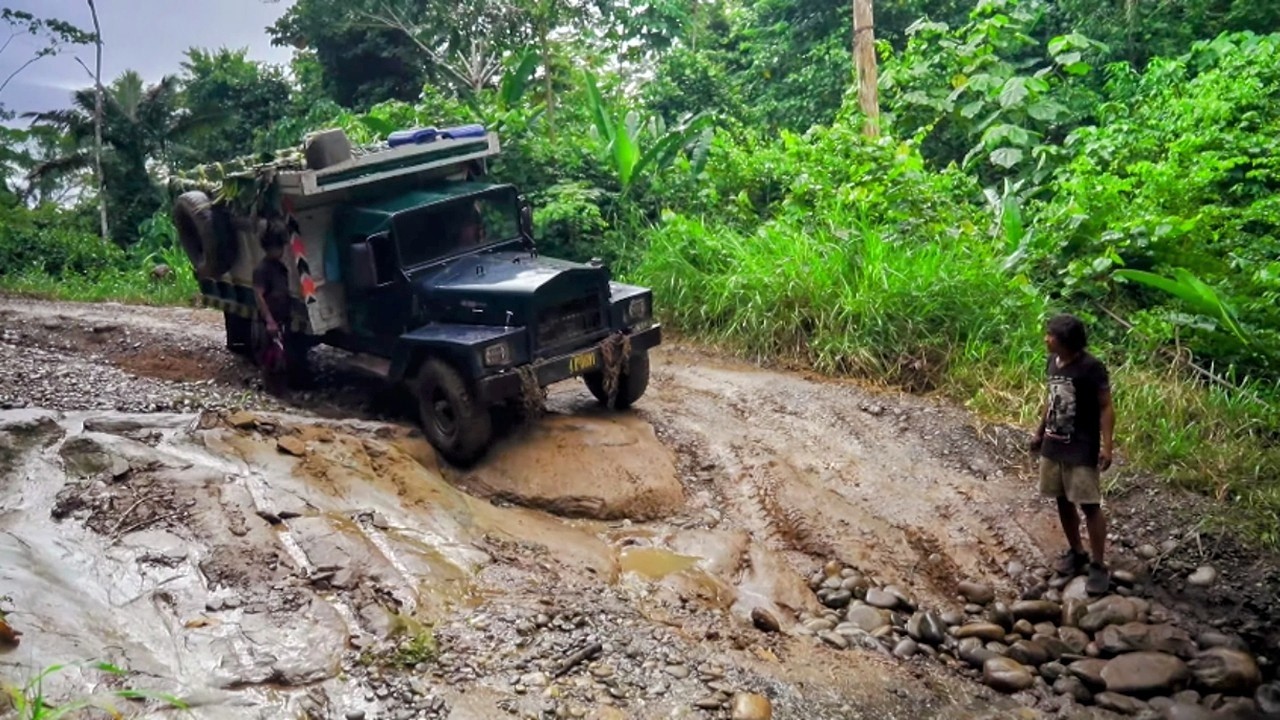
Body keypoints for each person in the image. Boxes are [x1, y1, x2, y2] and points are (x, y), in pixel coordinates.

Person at [1029, 313, 1115, 595]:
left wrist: (1107, 445)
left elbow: (1105, 407)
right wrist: (1039, 431)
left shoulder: (1091, 367)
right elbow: (1052, 398)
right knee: (1061, 499)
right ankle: (1077, 553)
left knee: (1089, 504)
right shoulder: (1052, 361)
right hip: (1054, 441)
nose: (1046, 338)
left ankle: (1099, 565)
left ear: (1064, 341)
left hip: (1081, 445)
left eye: (1050, 334)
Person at [252, 225, 310, 392]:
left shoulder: (279, 267)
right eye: (281, 247)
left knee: (283, 355)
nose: (283, 251)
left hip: (282, 317)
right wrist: (269, 321)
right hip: (270, 320)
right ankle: (272, 391)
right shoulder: (262, 270)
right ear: (272, 248)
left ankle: (283, 389)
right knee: (270, 357)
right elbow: (259, 296)